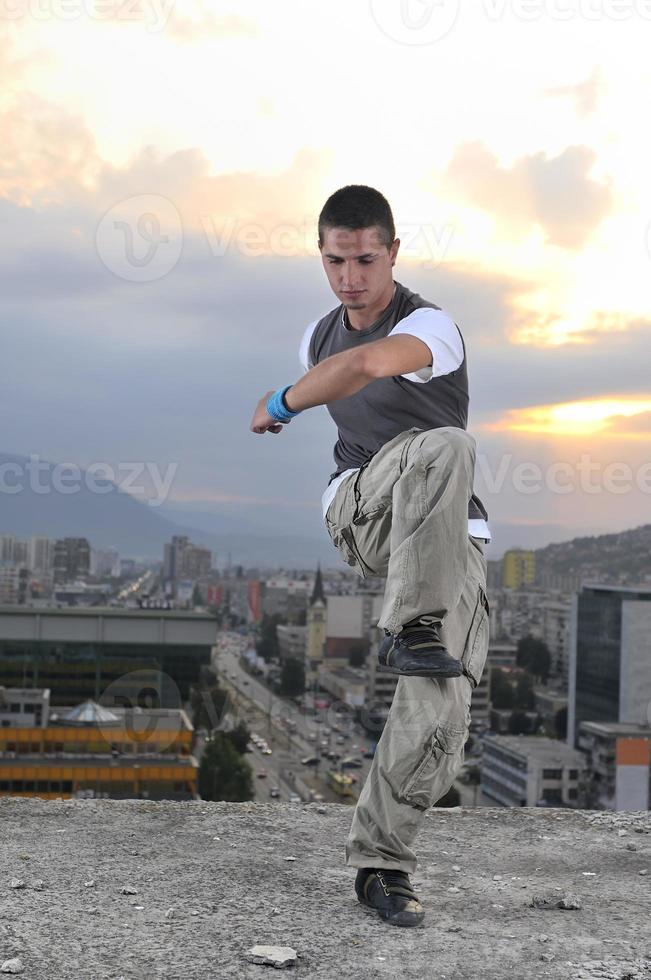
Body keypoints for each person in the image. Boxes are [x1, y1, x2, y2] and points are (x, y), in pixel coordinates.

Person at [250, 185, 491, 928]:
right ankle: (413, 623)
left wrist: (281, 402)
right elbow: (339, 369)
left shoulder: (431, 326)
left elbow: (363, 369)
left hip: (449, 530)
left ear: (391, 252)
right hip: (364, 508)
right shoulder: (315, 336)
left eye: (363, 259)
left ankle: (380, 865)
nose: (348, 276)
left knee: (442, 704)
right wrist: (298, 390)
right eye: (333, 260)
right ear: (320, 257)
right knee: (447, 446)